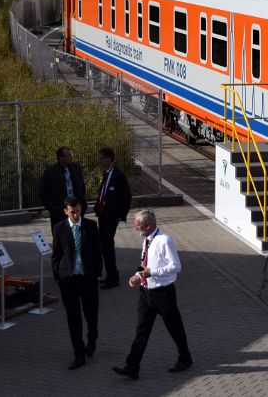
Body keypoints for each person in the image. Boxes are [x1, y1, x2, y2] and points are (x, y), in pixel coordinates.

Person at [113, 210, 193, 380]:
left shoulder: (165, 240)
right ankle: (132, 367)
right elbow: (145, 263)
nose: (135, 228)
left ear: (148, 226)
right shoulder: (147, 240)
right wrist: (137, 276)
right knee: (141, 331)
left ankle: (185, 358)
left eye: (138, 225)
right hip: (146, 294)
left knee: (175, 329)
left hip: (163, 294)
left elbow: (176, 266)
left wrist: (153, 272)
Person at [52, 196, 101, 369]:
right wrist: (59, 276)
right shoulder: (59, 228)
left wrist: (97, 274)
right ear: (66, 211)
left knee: (91, 314)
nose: (75, 215)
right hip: (69, 280)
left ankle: (92, 338)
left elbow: (97, 251)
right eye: (72, 212)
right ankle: (78, 354)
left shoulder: (90, 226)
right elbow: (56, 255)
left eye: (78, 212)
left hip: (87, 279)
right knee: (73, 319)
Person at [95, 147, 132, 289]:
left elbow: (126, 197)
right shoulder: (106, 174)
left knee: (107, 245)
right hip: (103, 215)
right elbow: (104, 192)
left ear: (109, 159)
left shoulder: (118, 175)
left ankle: (113, 277)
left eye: (101, 158)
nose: (100, 160)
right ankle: (110, 275)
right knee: (104, 245)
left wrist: (121, 215)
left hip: (112, 217)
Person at [41, 146, 87, 226]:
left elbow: (82, 187)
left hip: (76, 210)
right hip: (59, 212)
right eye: (67, 156)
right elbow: (43, 193)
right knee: (61, 236)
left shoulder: (76, 168)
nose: (70, 158)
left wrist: (83, 204)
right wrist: (52, 208)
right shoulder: (51, 172)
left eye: (71, 155)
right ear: (60, 158)